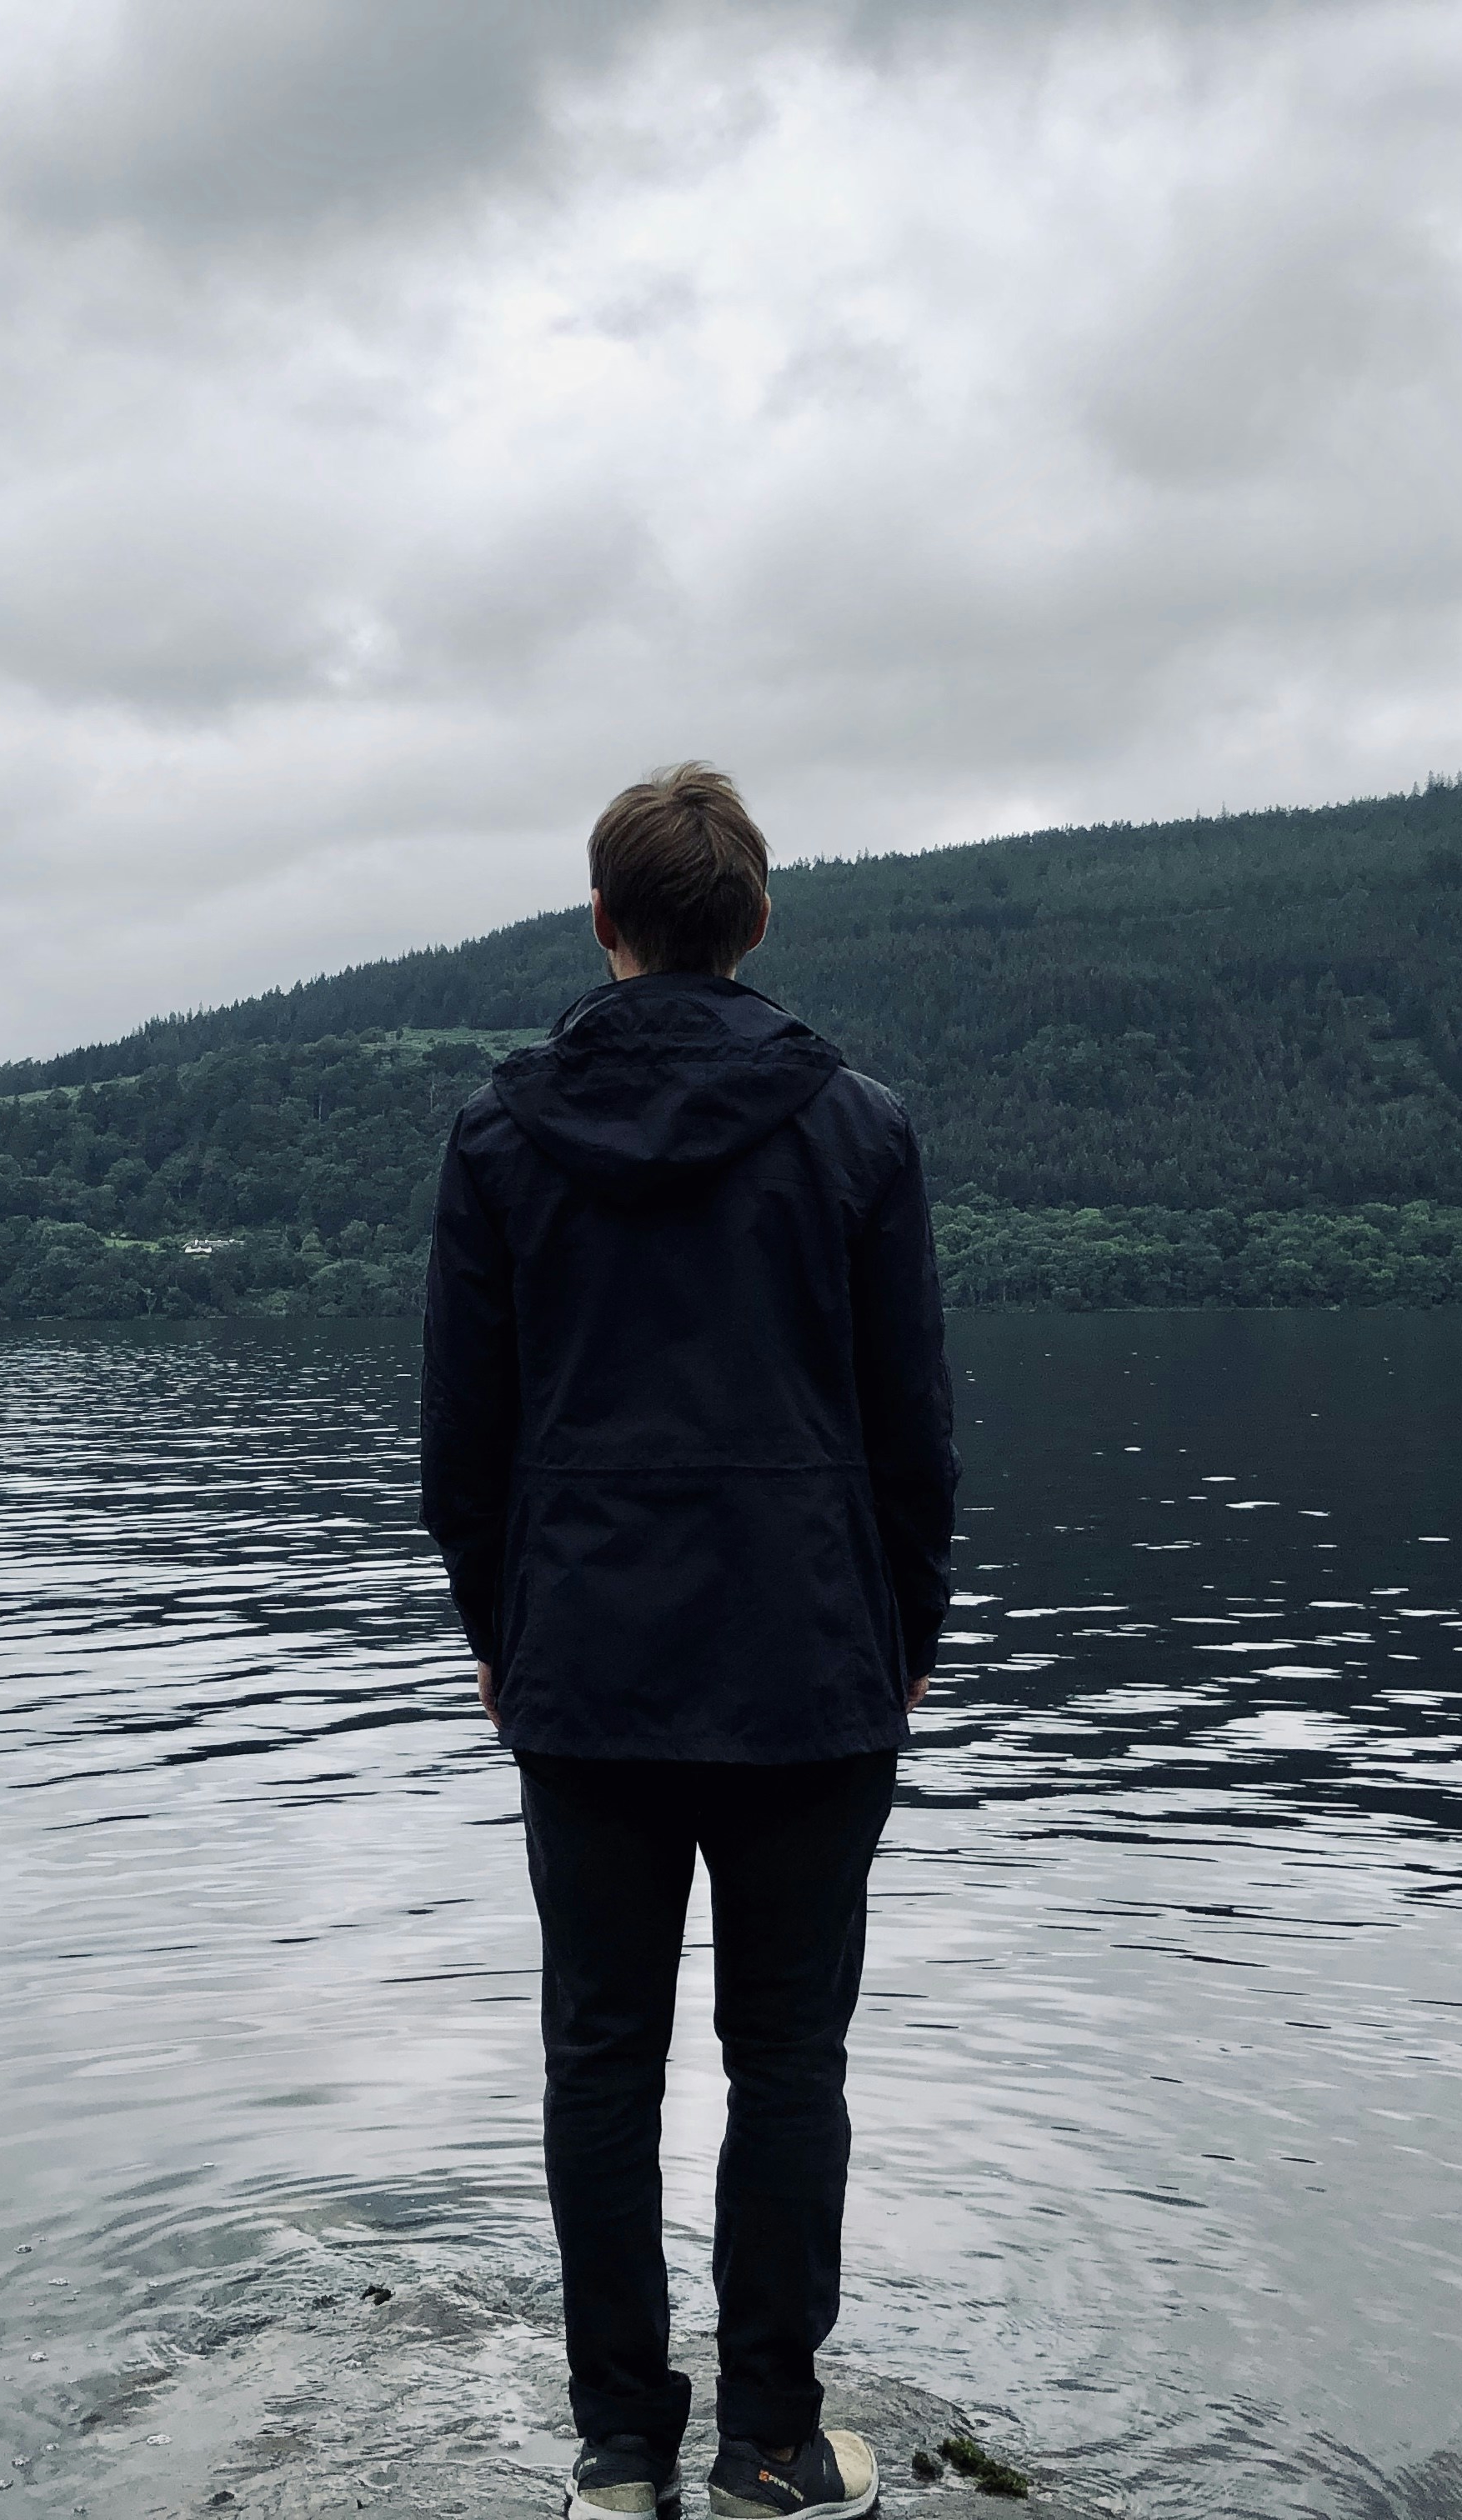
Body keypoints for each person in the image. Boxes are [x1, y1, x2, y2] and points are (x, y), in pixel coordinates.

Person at [420, 763, 959, 2520]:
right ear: (756, 924)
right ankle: (772, 2449)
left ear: (605, 925)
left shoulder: (502, 1139)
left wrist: (503, 1631)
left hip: (584, 1662)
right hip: (812, 1662)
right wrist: (909, 1631)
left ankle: (616, 2454)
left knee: (601, 2060)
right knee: (787, 2059)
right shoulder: (861, 1131)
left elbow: (464, 1446)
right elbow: (913, 1441)